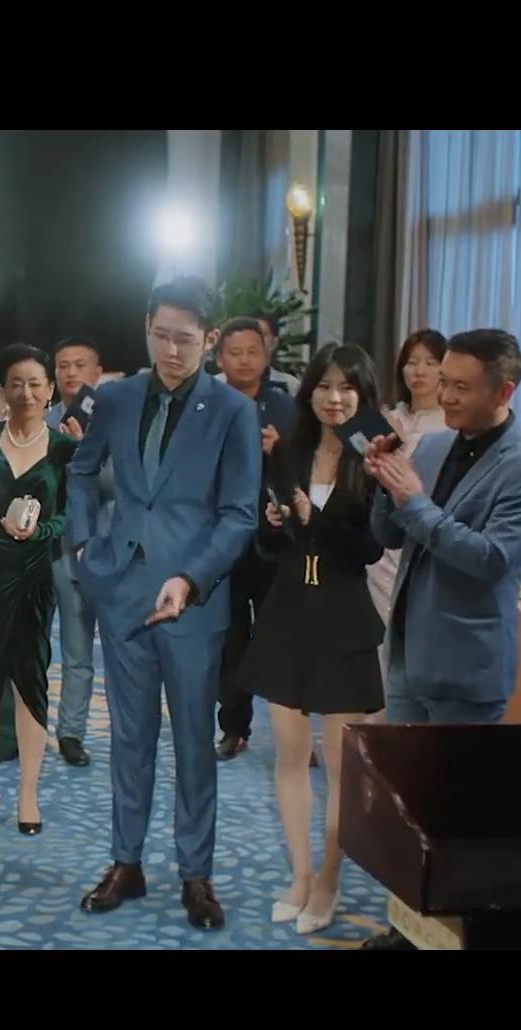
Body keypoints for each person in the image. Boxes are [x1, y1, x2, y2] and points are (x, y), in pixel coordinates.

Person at [68, 277, 261, 930]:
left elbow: (239, 515)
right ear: (145, 329)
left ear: (210, 339)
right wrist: (83, 547)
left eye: (185, 339)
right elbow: (81, 470)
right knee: (129, 737)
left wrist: (191, 578)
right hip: (121, 590)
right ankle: (126, 862)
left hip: (192, 602)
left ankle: (195, 874)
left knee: (192, 742)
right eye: (160, 336)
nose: (172, 352)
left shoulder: (232, 411)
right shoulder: (116, 397)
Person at [360, 328, 521, 950]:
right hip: (408, 650)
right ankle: (407, 928)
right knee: (406, 809)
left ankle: (450, 937)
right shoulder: (436, 444)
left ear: (504, 391)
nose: (443, 395)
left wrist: (413, 501)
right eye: (442, 381)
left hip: (467, 663)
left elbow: (491, 559)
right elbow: (391, 537)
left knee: (454, 816)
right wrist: (384, 483)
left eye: (459, 387)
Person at [239, 344, 387, 935]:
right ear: (309, 392)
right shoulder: (290, 451)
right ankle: (300, 875)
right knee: (290, 755)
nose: (334, 397)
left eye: (347, 387)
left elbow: (371, 547)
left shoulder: (374, 455)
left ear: (363, 395)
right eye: (324, 385)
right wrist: (277, 525)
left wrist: (314, 520)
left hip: (343, 615)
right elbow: (271, 545)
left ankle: (329, 878)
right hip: (289, 612)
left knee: (342, 767)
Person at [0, 344, 76, 835]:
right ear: (3, 390)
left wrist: (40, 532)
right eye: (16, 383)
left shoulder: (66, 449)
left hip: (33, 576)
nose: (26, 393)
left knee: (30, 680)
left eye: (35, 383)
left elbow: (70, 516)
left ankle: (29, 792)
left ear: (50, 389)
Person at [211, 317, 299, 760]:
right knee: (230, 639)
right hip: (222, 539)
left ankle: (293, 736)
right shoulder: (206, 405)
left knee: (282, 638)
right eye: (235, 352)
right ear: (219, 358)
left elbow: (309, 471)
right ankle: (234, 727)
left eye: (253, 352)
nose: (245, 360)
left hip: (276, 540)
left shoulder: (286, 408)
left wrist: (281, 450)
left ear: (267, 356)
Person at [367, 328, 449, 679]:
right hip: (384, 536)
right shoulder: (386, 417)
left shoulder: (452, 425)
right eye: (412, 362)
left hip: (428, 534)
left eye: (430, 362)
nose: (419, 371)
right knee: (381, 639)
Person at [45, 336, 109, 768]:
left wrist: (83, 448)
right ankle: (30, 728)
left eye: (80, 365)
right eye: (63, 365)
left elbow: (118, 484)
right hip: (42, 546)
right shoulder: (42, 417)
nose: (70, 372)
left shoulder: (114, 422)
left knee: (81, 647)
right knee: (41, 647)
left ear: (97, 373)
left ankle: (71, 732)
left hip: (94, 548)